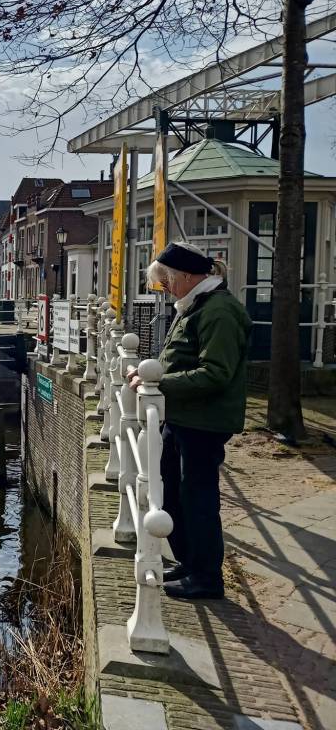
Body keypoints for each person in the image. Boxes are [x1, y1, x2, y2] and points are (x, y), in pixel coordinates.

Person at [128, 241, 251, 600]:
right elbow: (180, 359)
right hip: (183, 417)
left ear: (185, 275)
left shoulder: (218, 312)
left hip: (204, 422)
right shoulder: (195, 306)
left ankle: (207, 578)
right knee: (169, 490)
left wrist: (160, 382)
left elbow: (215, 373)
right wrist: (150, 374)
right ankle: (189, 561)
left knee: (198, 498)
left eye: (166, 280)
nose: (164, 288)